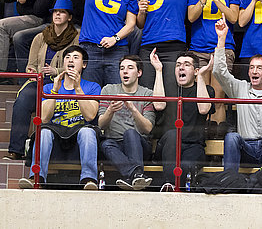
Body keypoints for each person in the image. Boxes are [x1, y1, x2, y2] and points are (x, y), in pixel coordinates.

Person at [213, 16, 262, 172]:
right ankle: (230, 180)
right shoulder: (240, 88)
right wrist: (221, 39)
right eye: (251, 67)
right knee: (231, 137)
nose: (254, 71)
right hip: (247, 148)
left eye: (259, 68)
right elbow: (219, 72)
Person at [3, 0, 79, 160]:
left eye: (62, 12)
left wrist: (56, 71)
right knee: (22, 102)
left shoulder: (76, 37)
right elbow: (31, 64)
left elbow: (77, 65)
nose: (57, 15)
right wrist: (32, 71)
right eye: (55, 12)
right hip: (39, 80)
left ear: (69, 17)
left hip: (64, 82)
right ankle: (16, 150)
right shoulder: (41, 37)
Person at [19, 45, 101, 189]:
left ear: (84, 64)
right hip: (55, 138)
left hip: (79, 138)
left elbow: (89, 116)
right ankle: (36, 178)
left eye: (76, 57)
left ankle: (89, 179)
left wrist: (78, 88)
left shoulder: (93, 87)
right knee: (43, 131)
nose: (71, 60)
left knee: (88, 131)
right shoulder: (48, 88)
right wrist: (55, 91)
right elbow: (44, 118)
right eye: (67, 57)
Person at [188, 0, 240, 130]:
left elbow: (233, 18)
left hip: (222, 48)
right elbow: (191, 16)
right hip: (198, 49)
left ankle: (217, 138)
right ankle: (202, 136)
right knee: (203, 97)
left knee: (218, 97)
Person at [151, 50, 214, 192]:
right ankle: (170, 185)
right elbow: (158, 105)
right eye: (178, 65)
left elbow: (203, 109)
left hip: (193, 146)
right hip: (168, 146)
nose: (181, 68)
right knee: (173, 134)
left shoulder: (206, 90)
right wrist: (159, 70)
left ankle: (174, 188)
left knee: (185, 166)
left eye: (186, 65)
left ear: (195, 71)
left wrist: (201, 76)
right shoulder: (167, 88)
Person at [98, 55, 155, 190]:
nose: (125, 71)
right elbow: (101, 125)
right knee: (106, 144)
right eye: (122, 68)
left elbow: (148, 129)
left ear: (139, 73)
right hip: (116, 143)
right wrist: (110, 110)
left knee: (130, 133)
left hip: (140, 145)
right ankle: (136, 174)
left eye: (130, 68)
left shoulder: (147, 94)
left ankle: (134, 175)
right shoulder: (108, 90)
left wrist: (132, 108)